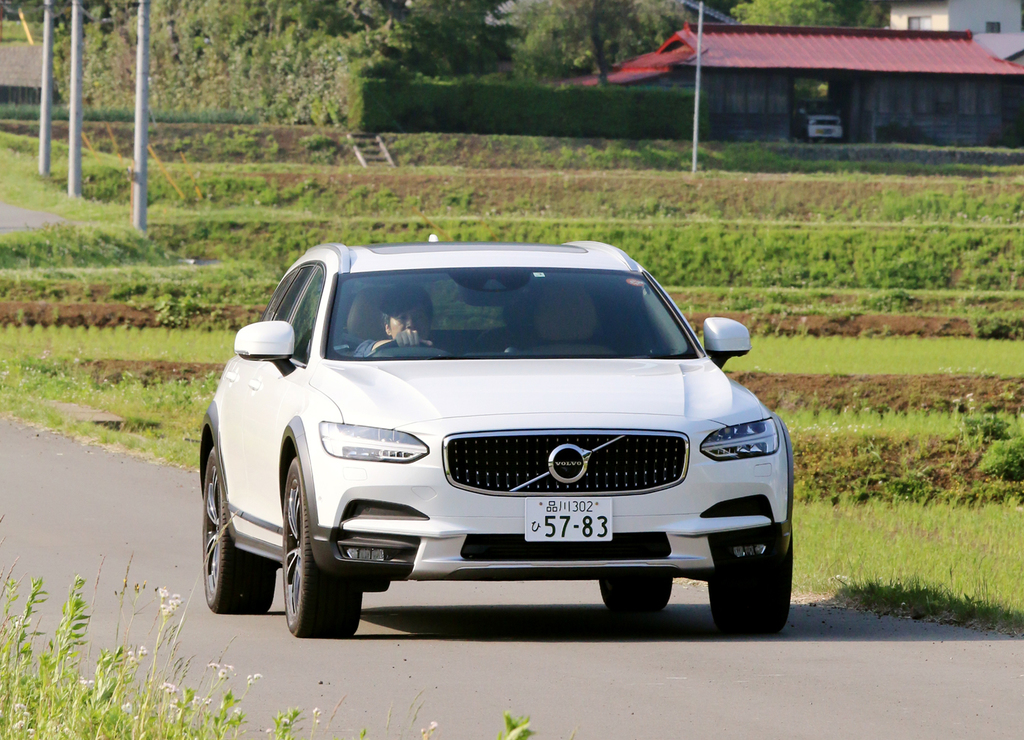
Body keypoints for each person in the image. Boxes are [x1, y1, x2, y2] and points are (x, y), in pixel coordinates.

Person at [353, 285, 434, 356]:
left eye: (418, 317)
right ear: (387, 328)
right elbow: (363, 351)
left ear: (429, 323)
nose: (410, 324)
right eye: (402, 318)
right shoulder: (365, 353)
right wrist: (394, 343)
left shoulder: (445, 349)